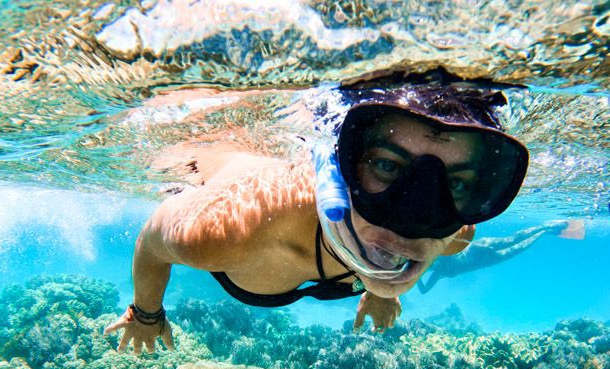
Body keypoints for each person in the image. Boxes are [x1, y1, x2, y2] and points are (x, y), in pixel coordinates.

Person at [104, 68, 529, 353]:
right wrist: (145, 313)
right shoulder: (223, 229)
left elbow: (407, 225)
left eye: (456, 183)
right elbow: (150, 243)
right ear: (335, 173)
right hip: (210, 170)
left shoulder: (453, 231)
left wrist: (380, 287)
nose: (417, 218)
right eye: (385, 165)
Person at [416, 219, 584, 293]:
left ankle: (544, 226)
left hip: (478, 250)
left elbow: (448, 239)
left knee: (513, 240)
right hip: (485, 260)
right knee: (519, 247)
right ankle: (545, 231)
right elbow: (423, 291)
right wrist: (414, 275)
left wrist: (416, 272)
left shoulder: (438, 256)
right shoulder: (438, 273)